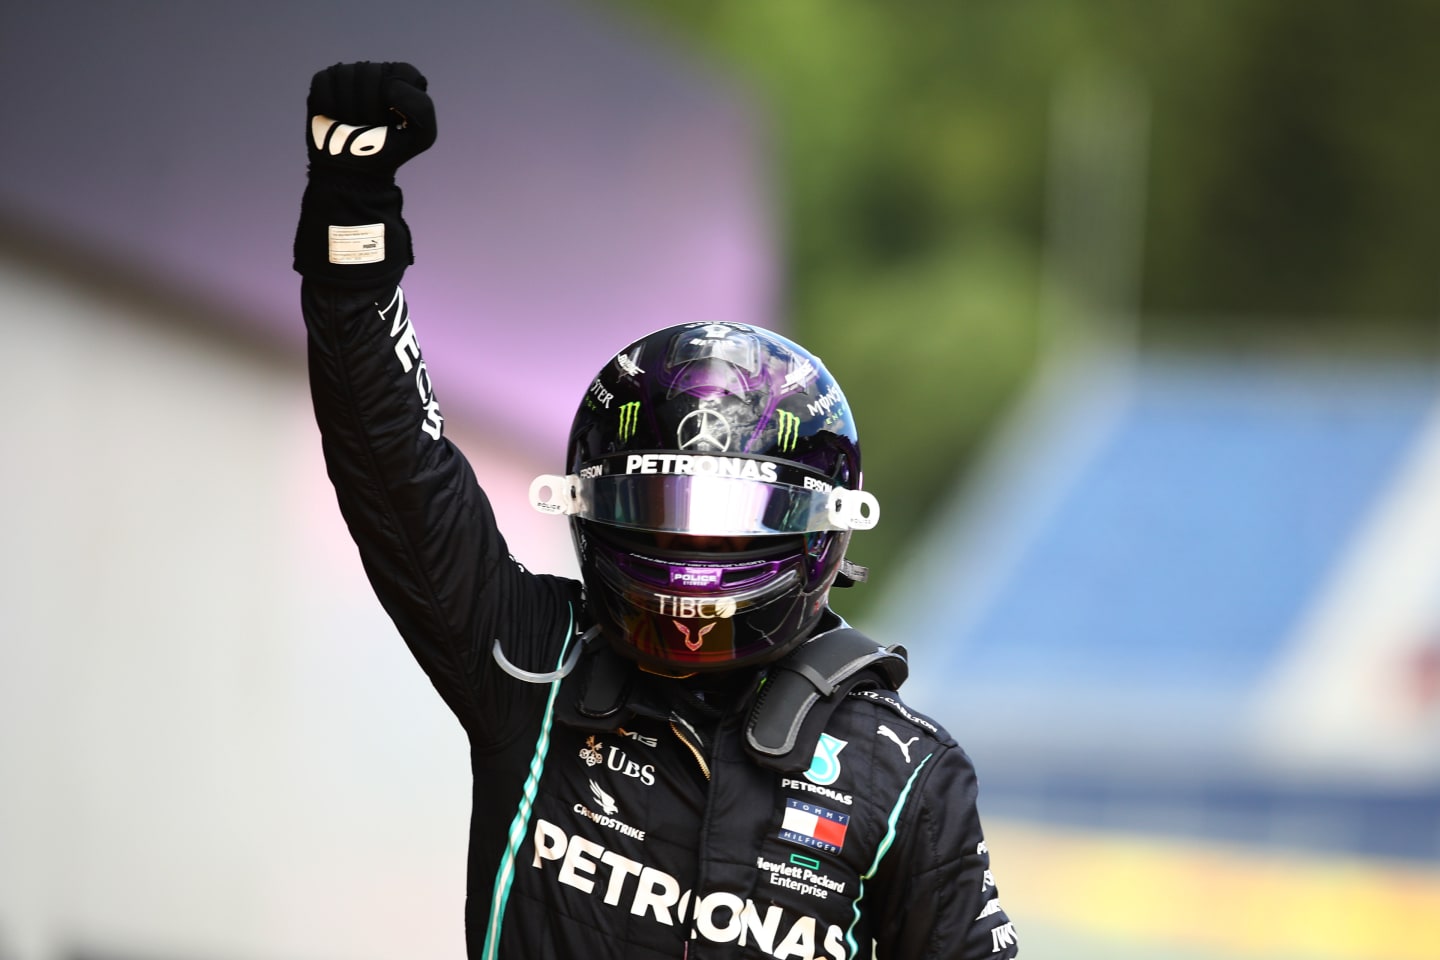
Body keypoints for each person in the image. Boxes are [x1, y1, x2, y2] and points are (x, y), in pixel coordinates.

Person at [293, 60, 1018, 960]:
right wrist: (351, 216)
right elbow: (393, 472)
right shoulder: (534, 665)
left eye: (732, 514)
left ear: (821, 526)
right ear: (598, 507)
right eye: (662, 504)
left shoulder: (907, 775)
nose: (694, 548)